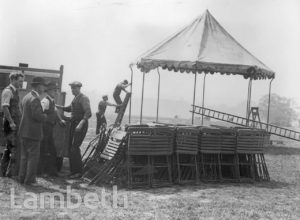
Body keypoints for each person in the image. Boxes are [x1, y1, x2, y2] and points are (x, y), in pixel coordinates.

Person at [56, 81, 91, 179]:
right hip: (74, 124)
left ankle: (78, 172)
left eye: (74, 88)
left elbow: (88, 112)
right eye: (71, 88)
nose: (72, 90)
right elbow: (70, 108)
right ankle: (73, 171)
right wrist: (59, 107)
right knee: (71, 148)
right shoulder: (75, 98)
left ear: (79, 88)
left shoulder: (83, 98)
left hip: (80, 125)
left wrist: (80, 124)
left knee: (74, 148)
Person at [18, 77, 47, 185]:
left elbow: (23, 112)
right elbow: (37, 116)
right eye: (43, 86)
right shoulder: (35, 99)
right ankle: (29, 180)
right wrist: (45, 116)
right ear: (38, 86)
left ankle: (22, 178)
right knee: (33, 158)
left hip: (24, 132)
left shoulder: (26, 97)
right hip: (33, 133)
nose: (44, 88)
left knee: (24, 157)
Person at [39, 81, 66, 176]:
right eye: (54, 90)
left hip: (49, 127)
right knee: (45, 149)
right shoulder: (45, 101)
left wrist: (60, 120)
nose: (56, 92)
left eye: (57, 90)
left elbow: (54, 110)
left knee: (51, 149)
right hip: (45, 128)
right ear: (49, 91)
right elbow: (40, 113)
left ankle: (50, 171)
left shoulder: (52, 101)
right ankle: (42, 172)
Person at [0, 71, 24, 177]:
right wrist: (11, 122)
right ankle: (10, 173)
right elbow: (5, 108)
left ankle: (2, 171)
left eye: (22, 81)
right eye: (19, 81)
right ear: (13, 80)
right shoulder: (7, 91)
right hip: (10, 124)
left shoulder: (15, 91)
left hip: (14, 123)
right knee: (14, 147)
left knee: (9, 148)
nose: (21, 83)